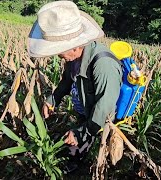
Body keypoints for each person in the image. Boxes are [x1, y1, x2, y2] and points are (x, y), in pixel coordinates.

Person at [28, 0, 122, 169]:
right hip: (85, 109)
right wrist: (53, 99)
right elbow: (66, 81)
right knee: (70, 144)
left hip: (99, 117)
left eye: (59, 50)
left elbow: (104, 107)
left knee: (75, 151)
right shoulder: (73, 58)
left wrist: (82, 132)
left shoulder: (103, 64)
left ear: (75, 46)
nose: (58, 56)